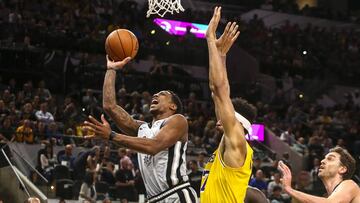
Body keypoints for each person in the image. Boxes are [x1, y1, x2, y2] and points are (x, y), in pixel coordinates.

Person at [85, 58, 197, 201]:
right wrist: (111, 69)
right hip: (154, 198)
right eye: (155, 94)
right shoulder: (142, 128)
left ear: (173, 107)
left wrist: (112, 135)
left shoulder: (178, 120)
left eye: (162, 94)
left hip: (176, 194)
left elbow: (154, 146)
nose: (155, 95)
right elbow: (109, 106)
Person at [200, 7, 257, 202]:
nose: (218, 116)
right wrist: (221, 56)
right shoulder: (229, 140)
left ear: (237, 121)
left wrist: (210, 41)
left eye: (225, 114)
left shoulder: (238, 142)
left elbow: (220, 89)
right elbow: (217, 91)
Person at [278, 146, 360, 202]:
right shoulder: (326, 197)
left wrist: (289, 189)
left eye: (330, 159)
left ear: (342, 169)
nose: (322, 161)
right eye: (324, 158)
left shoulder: (349, 184)